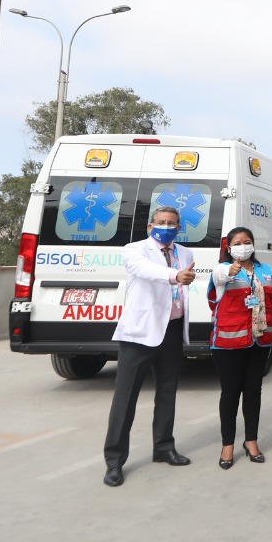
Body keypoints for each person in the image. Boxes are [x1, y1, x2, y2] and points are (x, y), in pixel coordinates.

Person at [103, 206, 197, 487]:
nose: (166, 226)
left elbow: (183, 286)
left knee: (167, 392)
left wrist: (181, 279)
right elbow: (144, 270)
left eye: (172, 223)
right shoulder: (135, 249)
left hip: (172, 329)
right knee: (125, 398)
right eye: (161, 222)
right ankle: (114, 461)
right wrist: (174, 276)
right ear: (150, 226)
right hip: (140, 334)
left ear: (179, 227)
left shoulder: (186, 253)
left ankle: (164, 447)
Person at [210, 227, 272, 468]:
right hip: (229, 343)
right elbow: (220, 277)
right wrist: (230, 270)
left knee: (253, 391)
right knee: (230, 393)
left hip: (259, 341)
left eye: (247, 241)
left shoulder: (265, 270)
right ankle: (227, 445)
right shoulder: (222, 269)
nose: (243, 245)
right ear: (229, 248)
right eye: (237, 242)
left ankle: (251, 440)